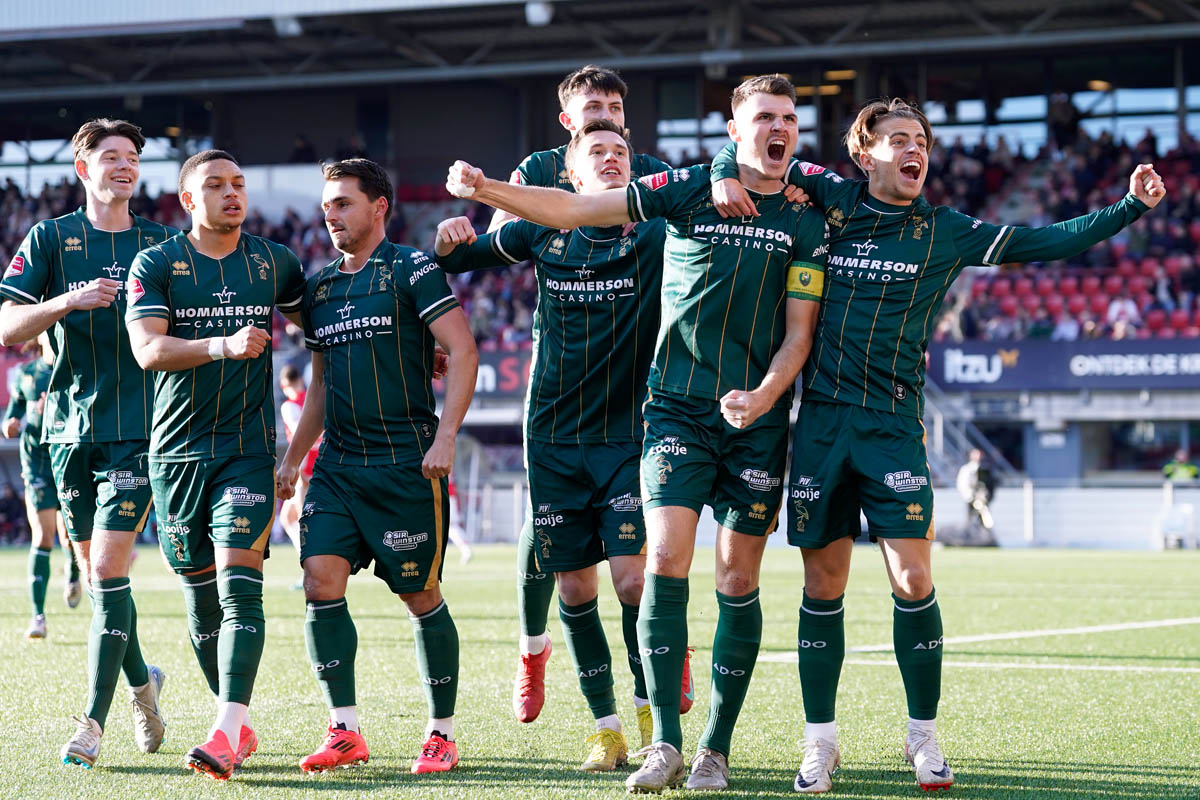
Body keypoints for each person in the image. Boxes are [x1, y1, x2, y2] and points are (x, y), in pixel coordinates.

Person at [708, 97, 1164, 792]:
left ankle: (922, 736)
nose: (914, 149)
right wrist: (717, 171)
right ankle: (820, 743)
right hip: (824, 425)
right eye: (898, 139)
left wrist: (1128, 209)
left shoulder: (944, 230)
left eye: (920, 139)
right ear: (865, 155)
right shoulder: (829, 197)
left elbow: (1042, 243)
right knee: (821, 586)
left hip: (893, 428)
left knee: (913, 580)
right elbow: (747, 154)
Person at [446, 73, 827, 793]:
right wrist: (469, 210)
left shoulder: (764, 205)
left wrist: (769, 391)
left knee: (701, 577)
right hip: (609, 417)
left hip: (688, 421)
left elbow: (811, 250)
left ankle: (699, 741)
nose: (611, 141)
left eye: (788, 118)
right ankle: (622, 725)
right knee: (607, 576)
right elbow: (494, 240)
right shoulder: (595, 210)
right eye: (595, 130)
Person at [436, 118, 681, 771]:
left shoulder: (657, 230)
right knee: (574, 588)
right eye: (595, 152)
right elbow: (454, 259)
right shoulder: (540, 230)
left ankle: (654, 716)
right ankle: (606, 729)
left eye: (620, 151)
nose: (609, 158)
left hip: (628, 432)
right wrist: (451, 233)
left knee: (632, 579)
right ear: (570, 175)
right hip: (551, 436)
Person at [275, 158, 477, 776]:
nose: (329, 214)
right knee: (318, 584)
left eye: (343, 203)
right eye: (326, 204)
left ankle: (441, 733)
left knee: (421, 596)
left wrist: (444, 440)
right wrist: (290, 459)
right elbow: (320, 387)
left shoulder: (413, 269)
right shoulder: (319, 288)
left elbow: (463, 352)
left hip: (403, 465)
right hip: (337, 465)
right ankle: (345, 729)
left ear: (379, 207)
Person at [491, 66, 670, 726]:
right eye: (594, 108)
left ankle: (650, 692)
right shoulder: (541, 166)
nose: (609, 118)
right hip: (560, 389)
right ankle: (532, 651)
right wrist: (460, 237)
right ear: (568, 122)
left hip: (628, 397)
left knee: (629, 572)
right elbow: (498, 237)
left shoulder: (646, 170)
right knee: (549, 544)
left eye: (617, 107)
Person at [125, 149, 306, 780]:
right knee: (201, 602)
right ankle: (236, 723)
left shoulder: (273, 262)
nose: (233, 194)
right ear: (187, 201)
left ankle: (226, 727)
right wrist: (220, 345)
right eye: (216, 186)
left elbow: (329, 322)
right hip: (174, 454)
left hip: (246, 453)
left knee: (237, 589)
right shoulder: (156, 263)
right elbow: (147, 350)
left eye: (239, 184)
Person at [0, 117, 169, 769]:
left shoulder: (164, 245)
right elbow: (8, 323)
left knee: (105, 570)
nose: (124, 165)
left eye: (132, 156)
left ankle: (93, 724)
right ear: (84, 169)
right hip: (69, 435)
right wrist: (67, 300)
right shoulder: (51, 238)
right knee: (104, 586)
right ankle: (142, 685)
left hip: (140, 432)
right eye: (111, 156)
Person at [3, 333, 78, 640]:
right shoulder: (26, 373)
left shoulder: (75, 369)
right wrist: (9, 425)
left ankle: (73, 573)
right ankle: (38, 617)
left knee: (69, 535)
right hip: (36, 464)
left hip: (70, 460)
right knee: (44, 536)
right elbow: (12, 415)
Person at [278, 363, 320, 555]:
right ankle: (306, 558)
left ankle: (311, 559)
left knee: (305, 518)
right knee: (287, 518)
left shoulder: (289, 406)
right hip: (319, 462)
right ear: (301, 381)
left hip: (303, 466)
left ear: (284, 386)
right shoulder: (314, 402)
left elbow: (299, 436)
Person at [955, 449, 996, 532]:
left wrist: (985, 498)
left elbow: (990, 484)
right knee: (970, 520)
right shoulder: (966, 469)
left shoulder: (986, 469)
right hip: (971, 501)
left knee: (984, 521)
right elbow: (962, 484)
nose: (978, 457)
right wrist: (971, 497)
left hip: (983, 500)